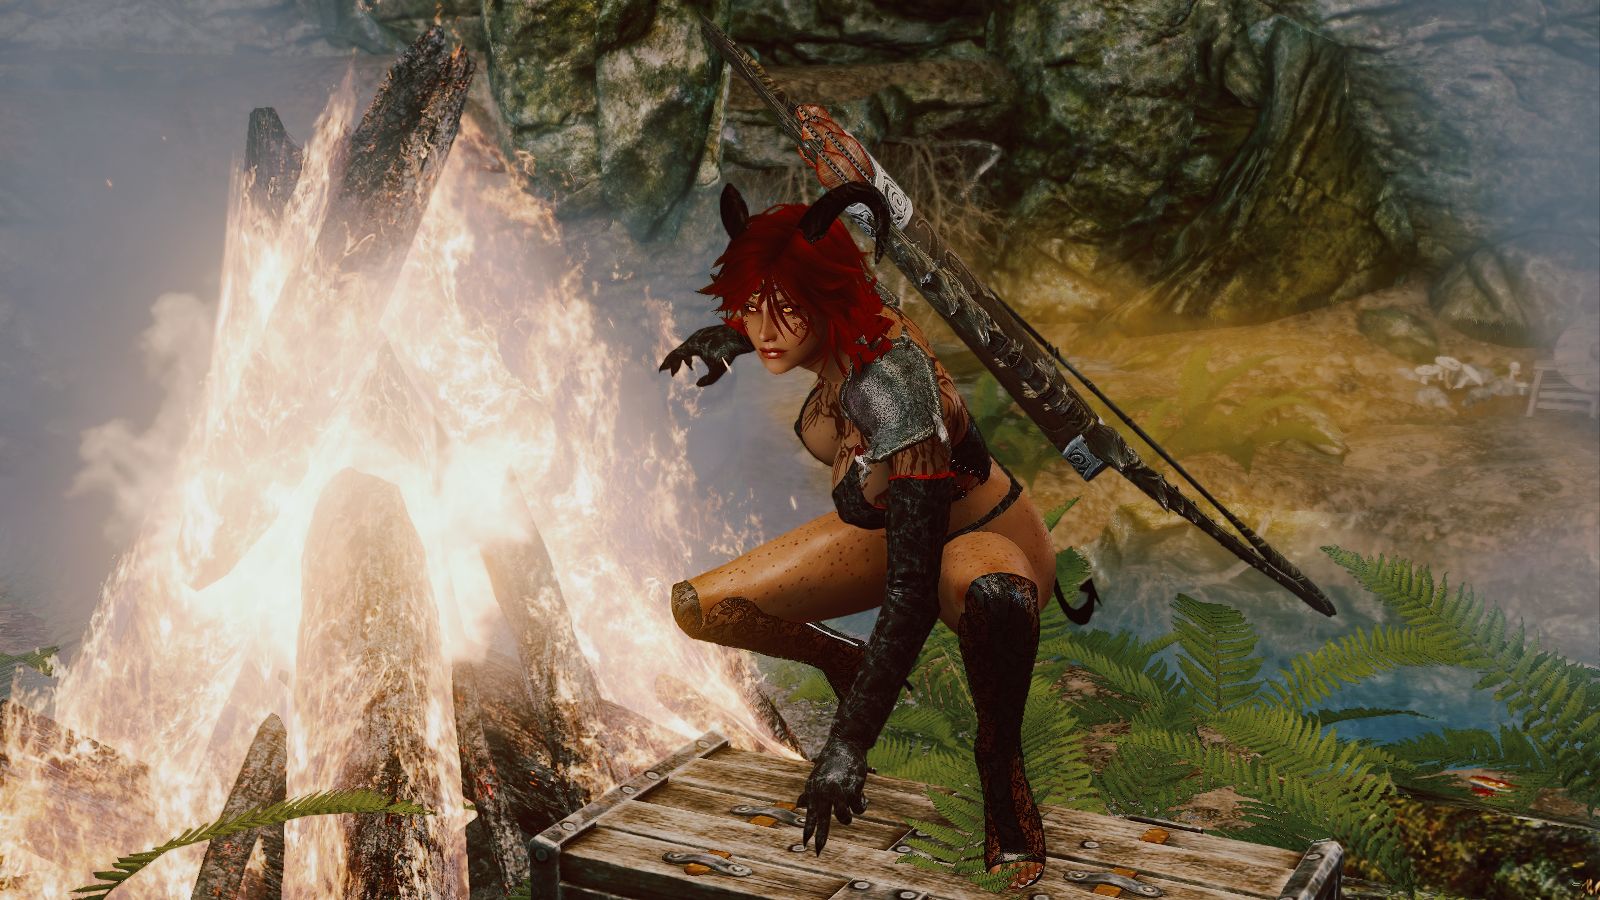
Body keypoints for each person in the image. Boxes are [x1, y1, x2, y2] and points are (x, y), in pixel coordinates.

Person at [660, 182, 1055, 890]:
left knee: (993, 596)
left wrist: (848, 744)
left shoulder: (892, 385)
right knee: (703, 608)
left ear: (826, 295)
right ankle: (846, 663)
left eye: (782, 307)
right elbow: (796, 311)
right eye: (750, 306)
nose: (764, 327)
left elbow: (911, 591)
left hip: (979, 536)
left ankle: (1003, 775)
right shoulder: (832, 330)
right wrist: (733, 340)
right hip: (891, 529)